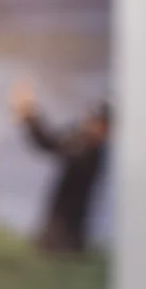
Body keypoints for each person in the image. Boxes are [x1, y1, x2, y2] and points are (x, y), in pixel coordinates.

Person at [11, 82, 111, 255]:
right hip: (55, 228)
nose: (90, 123)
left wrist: (30, 116)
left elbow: (57, 147)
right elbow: (48, 143)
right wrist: (29, 116)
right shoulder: (79, 139)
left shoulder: (91, 154)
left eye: (97, 122)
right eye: (91, 119)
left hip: (69, 234)